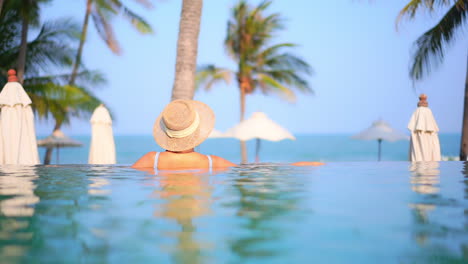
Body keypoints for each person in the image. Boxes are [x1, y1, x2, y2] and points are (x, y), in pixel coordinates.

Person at [132, 99, 323, 171]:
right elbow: (252, 170)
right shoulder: (212, 162)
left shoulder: (152, 159)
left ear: (166, 132)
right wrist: (304, 165)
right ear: (198, 133)